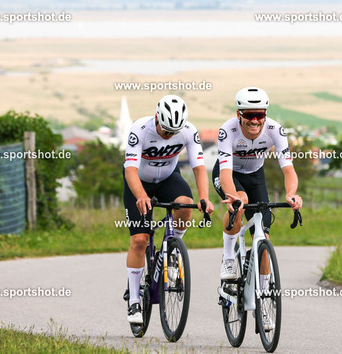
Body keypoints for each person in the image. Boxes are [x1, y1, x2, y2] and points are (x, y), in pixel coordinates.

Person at [212, 87, 303, 330]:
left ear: (265, 115)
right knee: (240, 202)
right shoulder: (227, 130)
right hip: (229, 174)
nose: (255, 120)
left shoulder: (275, 130)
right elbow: (225, 172)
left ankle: (262, 300)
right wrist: (234, 198)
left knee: (264, 240)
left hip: (255, 176)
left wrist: (291, 194)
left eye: (259, 115)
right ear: (239, 114)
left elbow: (288, 169)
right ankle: (228, 259)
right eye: (249, 115)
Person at [123, 94, 213, 324]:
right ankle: (134, 300)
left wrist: (204, 198)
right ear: (157, 118)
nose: (170, 135)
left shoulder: (188, 131)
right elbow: (130, 170)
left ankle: (172, 251)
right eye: (166, 131)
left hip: (168, 178)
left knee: (185, 204)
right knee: (140, 240)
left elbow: (199, 167)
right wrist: (141, 195)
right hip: (139, 182)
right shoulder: (139, 129)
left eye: (175, 132)